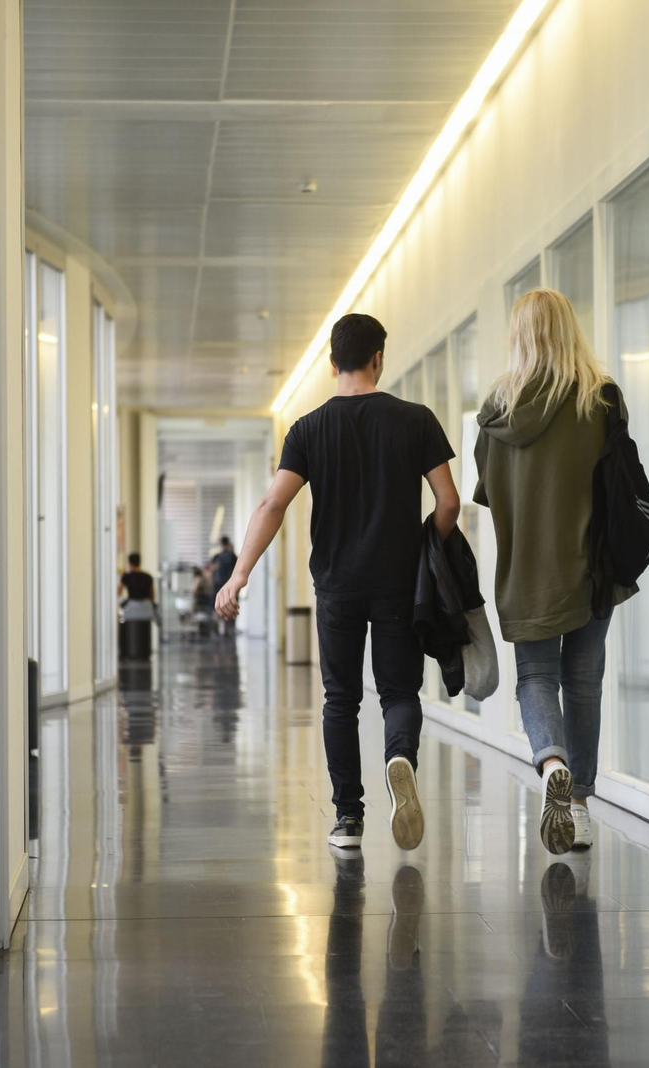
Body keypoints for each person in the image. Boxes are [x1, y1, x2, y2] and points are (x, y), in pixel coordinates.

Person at [216, 312, 460, 851]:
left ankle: (348, 818)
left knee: (340, 699)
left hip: (337, 586)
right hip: (399, 584)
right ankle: (400, 755)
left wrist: (238, 575)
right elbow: (448, 503)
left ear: (331, 364)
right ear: (378, 359)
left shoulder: (307, 429)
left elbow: (272, 504)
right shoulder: (416, 420)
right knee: (399, 690)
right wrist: (427, 546)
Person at [473, 288, 637, 855]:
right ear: (571, 329)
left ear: (517, 335)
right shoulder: (601, 398)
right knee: (583, 682)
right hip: (592, 567)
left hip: (525, 572)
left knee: (537, 679)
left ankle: (552, 766)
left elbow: (488, 493)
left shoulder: (496, 411)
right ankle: (581, 807)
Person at [210, 537, 239, 637]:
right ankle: (227, 630)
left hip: (217, 585)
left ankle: (216, 630)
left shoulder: (217, 557)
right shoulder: (232, 556)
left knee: (216, 608)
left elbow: (211, 570)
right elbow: (237, 571)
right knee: (229, 607)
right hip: (229, 585)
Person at [120, 553, 156, 621]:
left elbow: (119, 591)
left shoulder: (127, 576)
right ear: (139, 562)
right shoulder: (148, 577)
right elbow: (153, 595)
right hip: (146, 610)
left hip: (131, 611)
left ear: (130, 563)